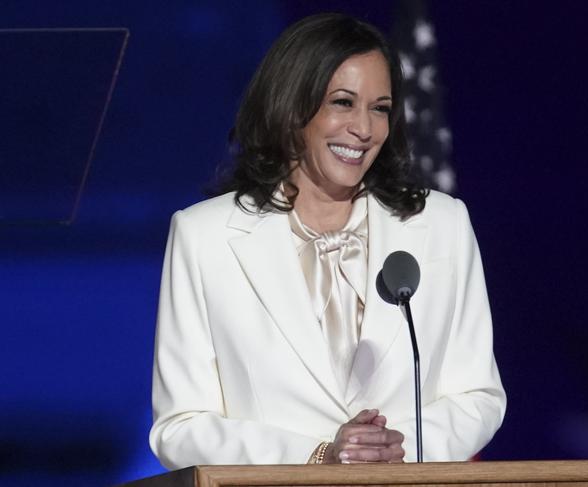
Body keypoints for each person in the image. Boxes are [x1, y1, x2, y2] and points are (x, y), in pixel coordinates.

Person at [149, 13, 505, 468]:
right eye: (342, 102)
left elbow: (479, 395)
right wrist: (317, 456)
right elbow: (180, 428)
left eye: (380, 108)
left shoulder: (442, 224)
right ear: (292, 107)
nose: (365, 129)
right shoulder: (204, 236)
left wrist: (395, 450)